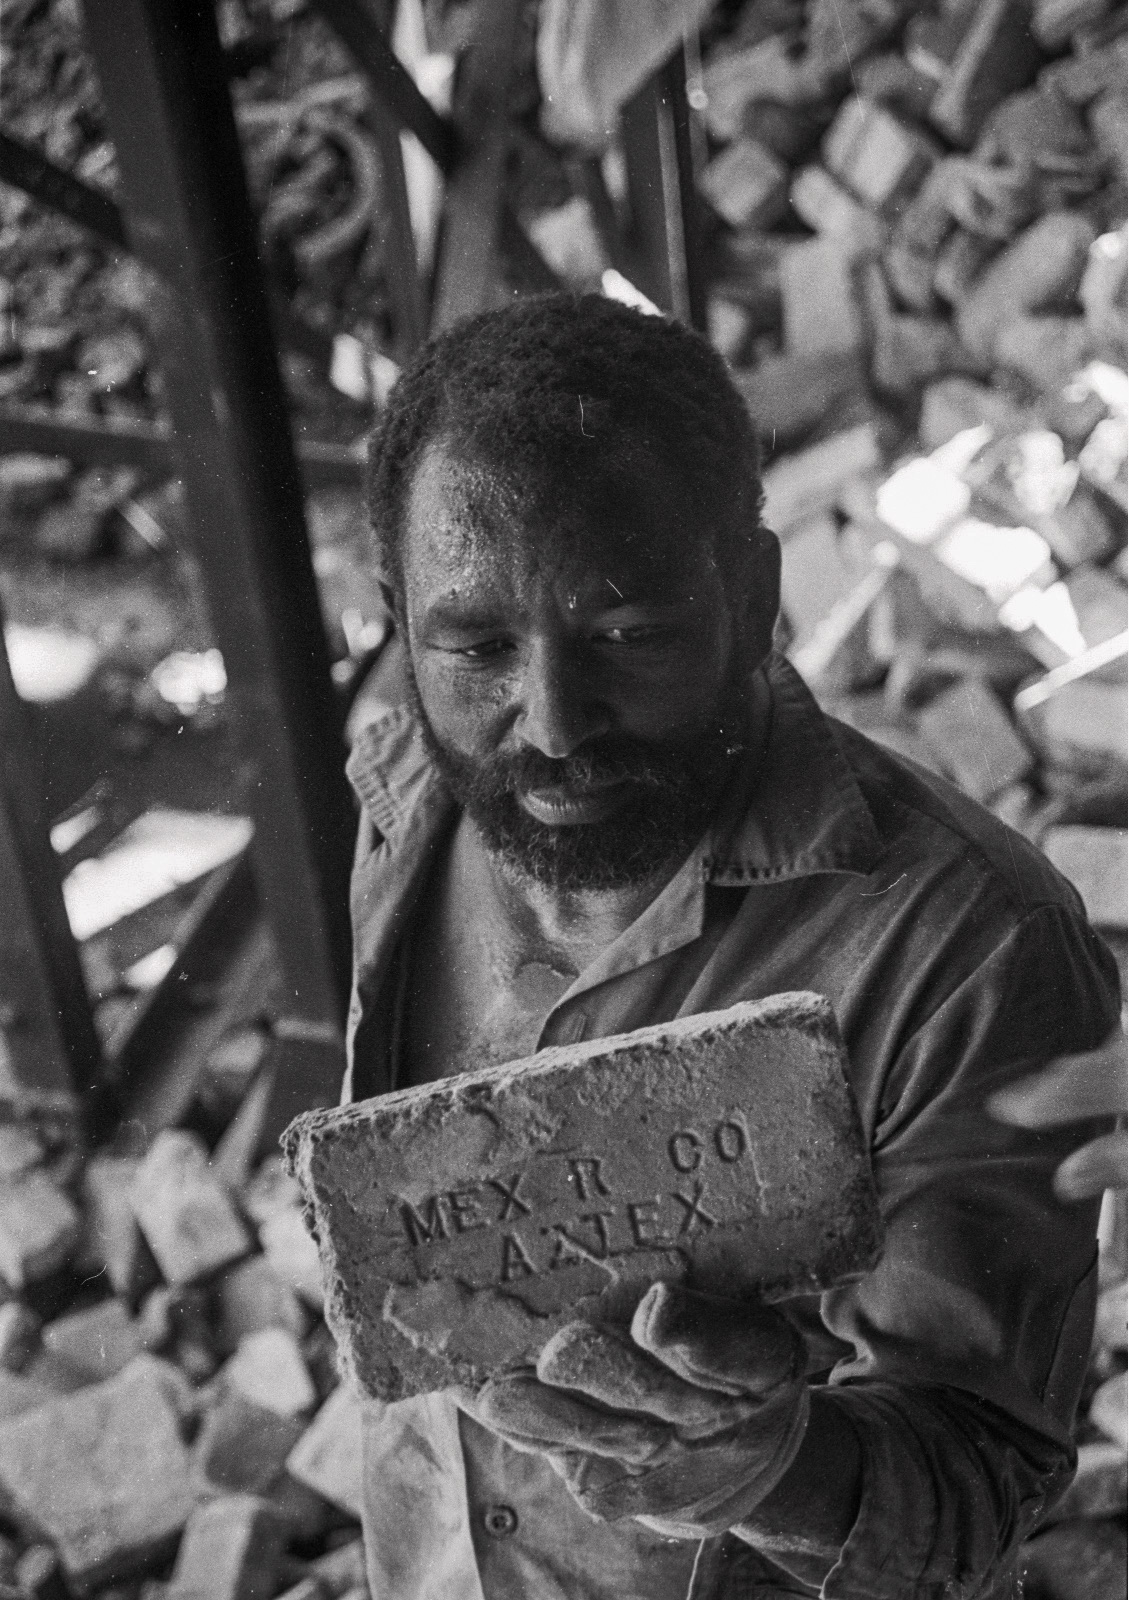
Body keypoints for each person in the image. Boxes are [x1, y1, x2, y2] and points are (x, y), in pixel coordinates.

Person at [341, 293, 1121, 1600]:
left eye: (627, 635)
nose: (549, 724)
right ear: (398, 612)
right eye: (476, 645)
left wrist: (775, 1469)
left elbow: (980, 1469)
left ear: (754, 594)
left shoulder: (965, 950)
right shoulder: (404, 790)